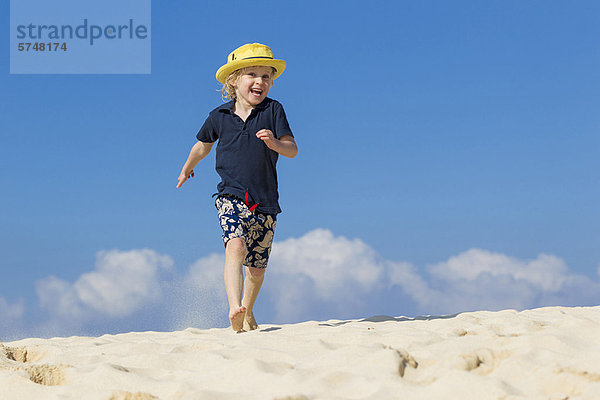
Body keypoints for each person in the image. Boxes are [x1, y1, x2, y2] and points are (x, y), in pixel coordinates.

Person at [176, 43, 298, 333]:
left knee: (256, 268)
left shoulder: (273, 110)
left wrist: (275, 144)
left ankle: (249, 310)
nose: (260, 82)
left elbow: (292, 149)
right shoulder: (219, 115)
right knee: (235, 245)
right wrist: (186, 167)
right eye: (252, 74)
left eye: (266, 76)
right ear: (233, 81)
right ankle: (234, 307)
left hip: (266, 202)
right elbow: (202, 146)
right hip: (231, 195)